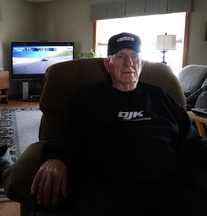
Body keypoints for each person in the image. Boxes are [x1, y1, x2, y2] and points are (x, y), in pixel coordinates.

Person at [31, 32, 207, 216]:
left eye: (134, 56)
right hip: (105, 190)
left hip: (166, 189)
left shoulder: (161, 97)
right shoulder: (88, 98)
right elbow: (66, 136)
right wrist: (56, 158)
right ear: (108, 64)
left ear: (141, 64)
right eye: (121, 56)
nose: (128, 63)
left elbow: (192, 142)